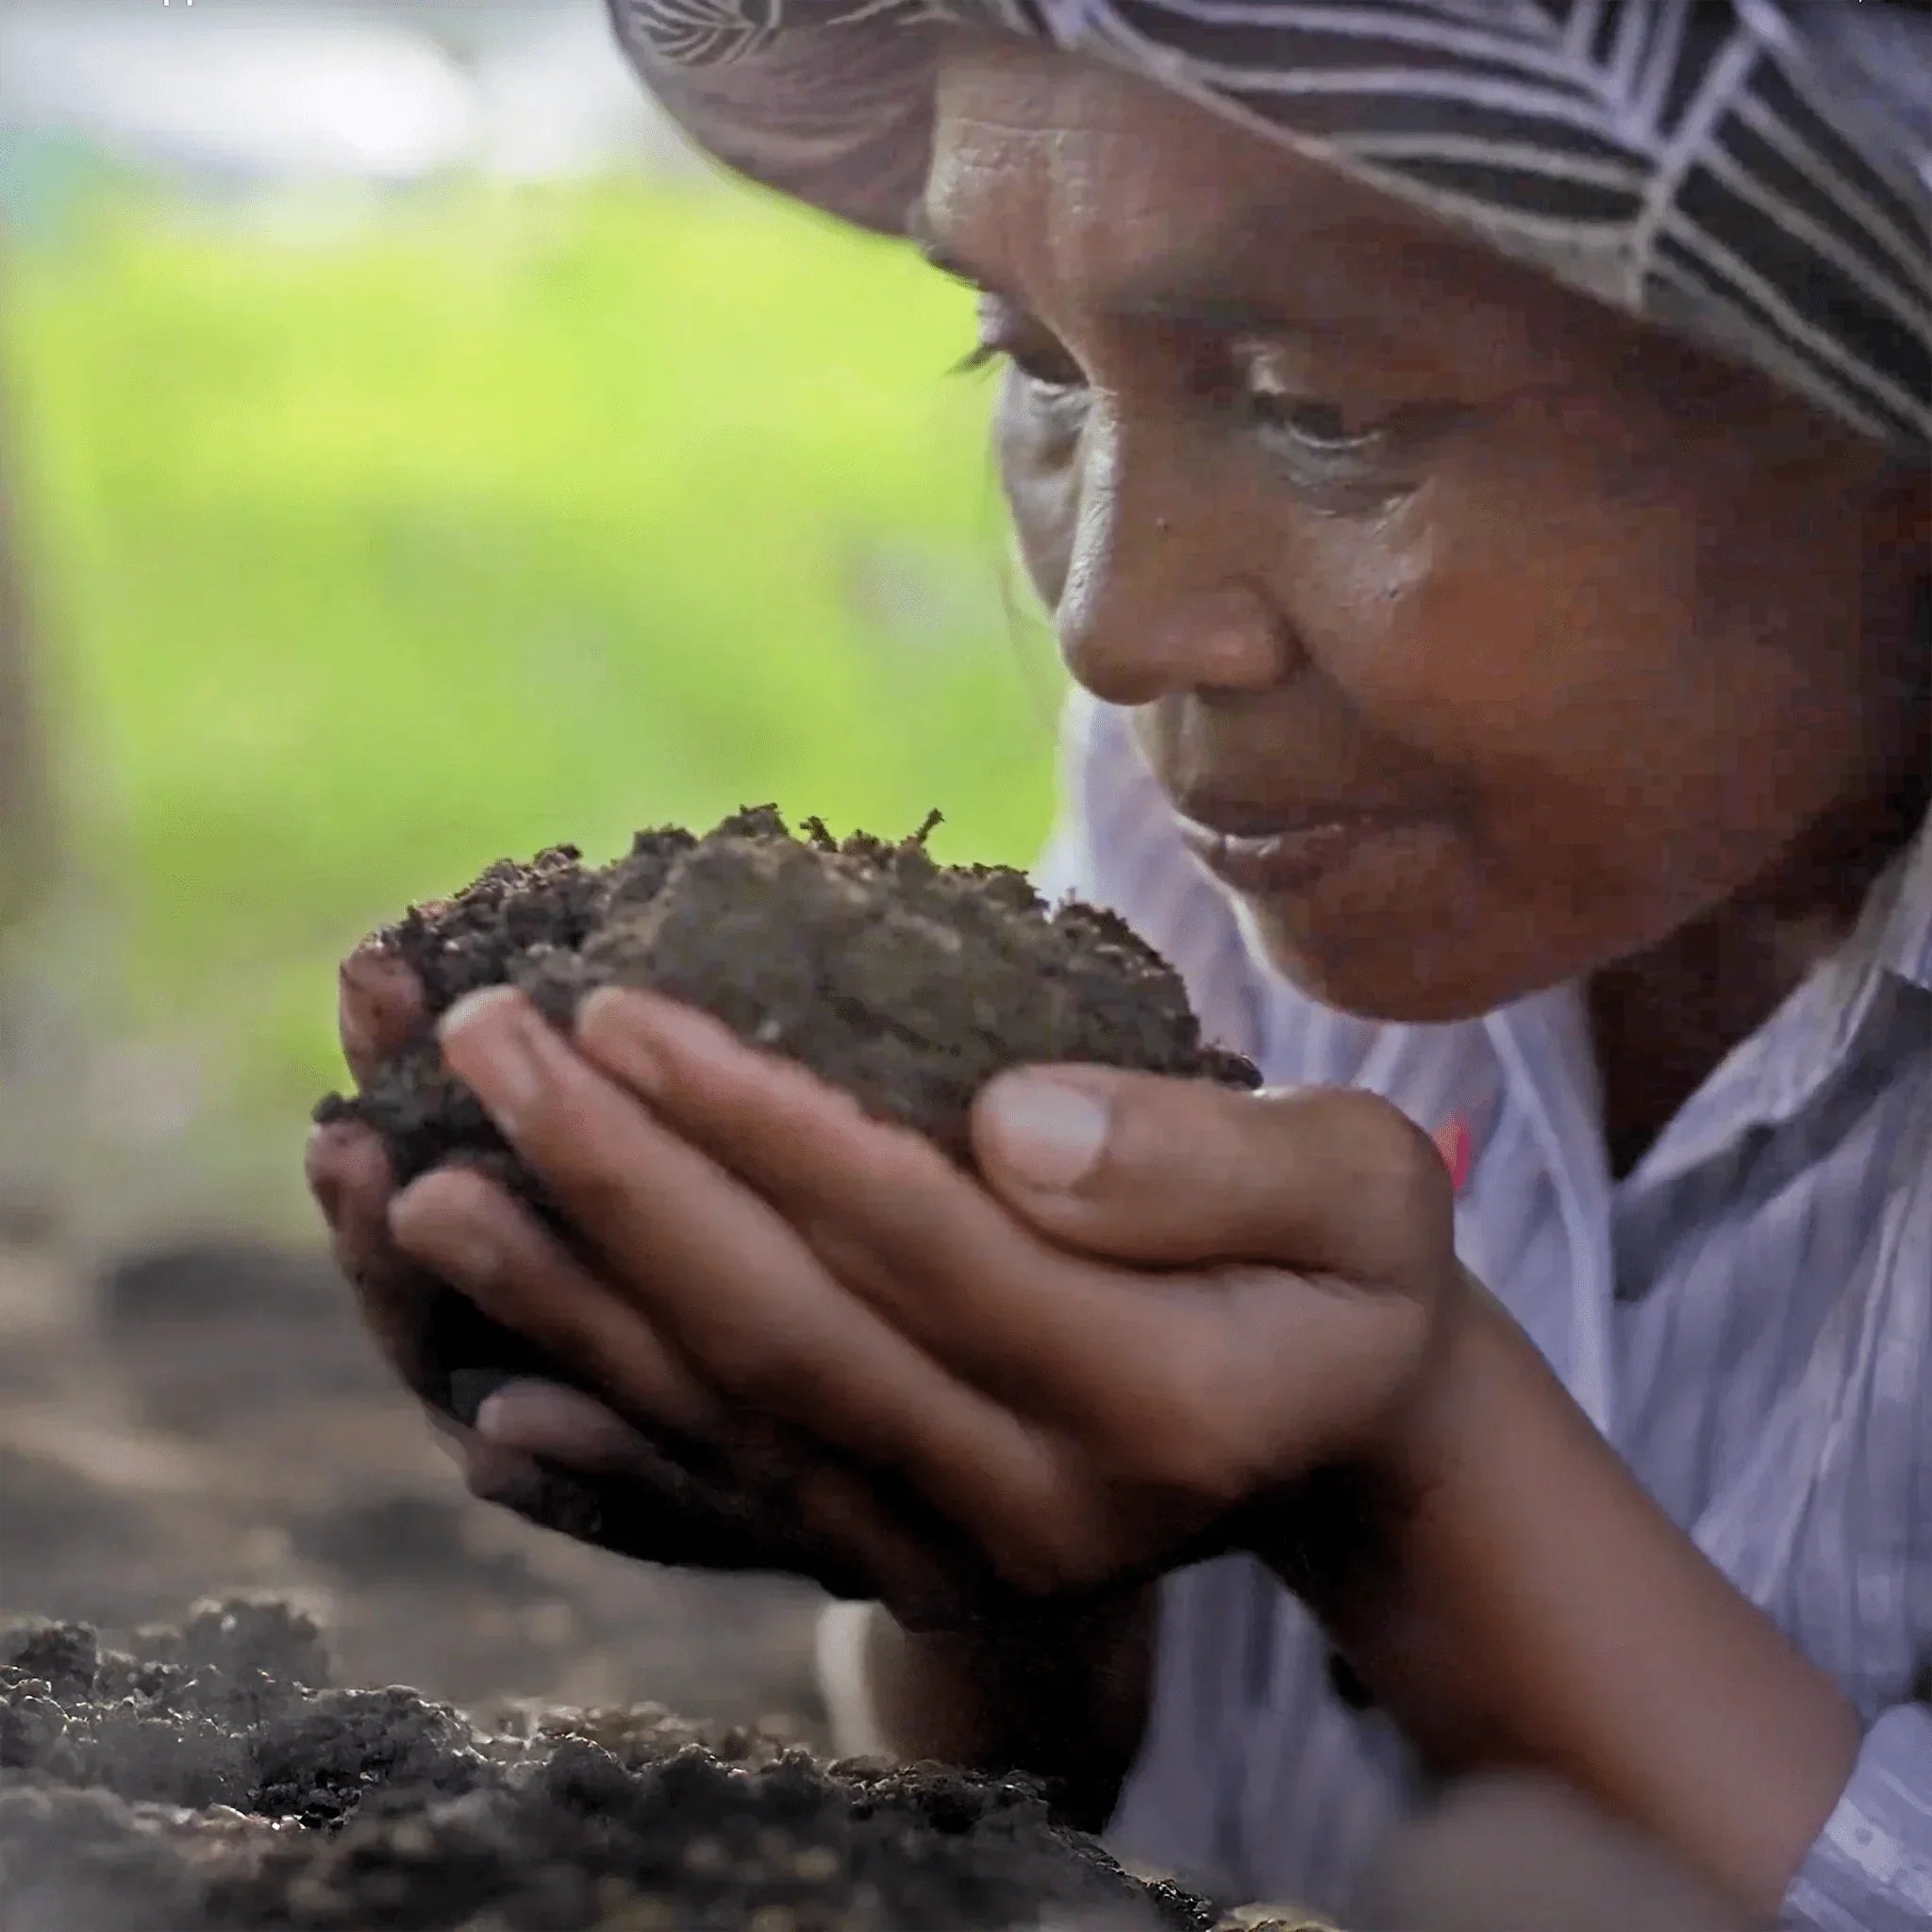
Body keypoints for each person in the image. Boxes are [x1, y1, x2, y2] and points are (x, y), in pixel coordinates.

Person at [308, 4, 1932, 1925]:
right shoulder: (1279, 816)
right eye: (1035, 366)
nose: (1113, 624)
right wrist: (970, 1533)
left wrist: (1410, 1470)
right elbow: (1054, 1795)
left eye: (1326, 411)